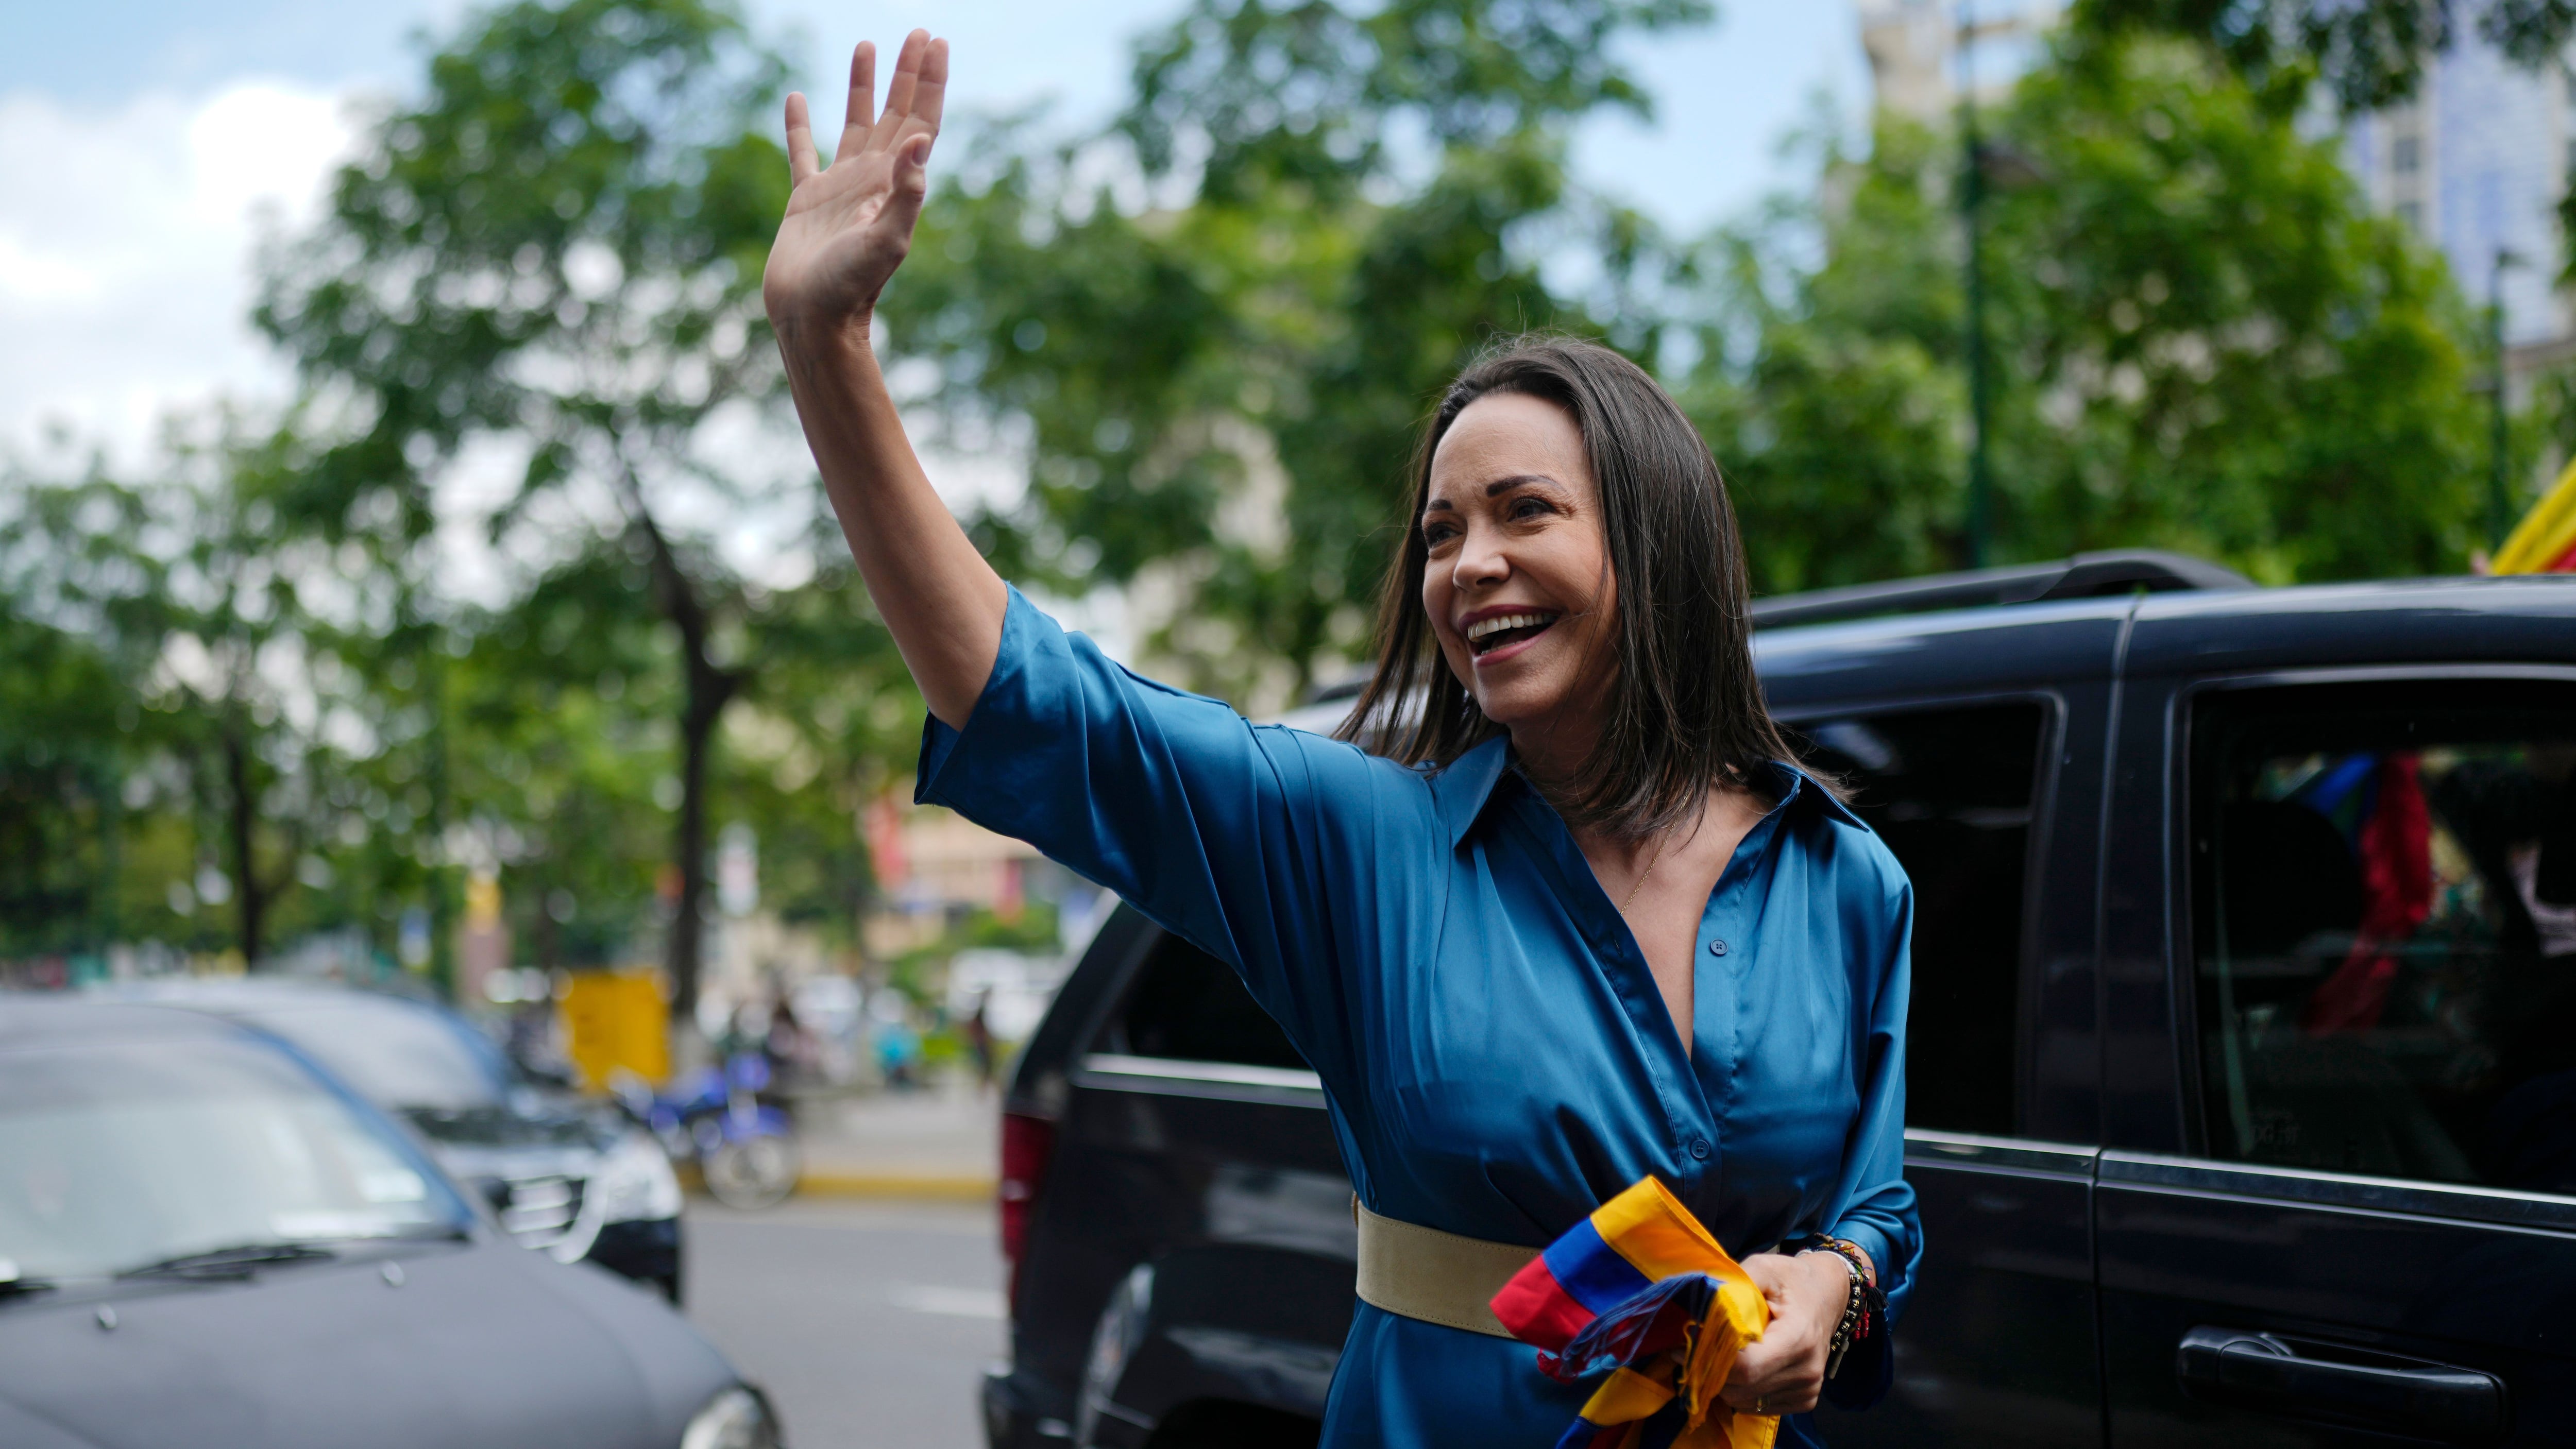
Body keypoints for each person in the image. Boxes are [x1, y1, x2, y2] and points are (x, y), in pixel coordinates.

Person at [760, 31, 1918, 1446]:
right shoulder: (1362, 846)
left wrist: (1836, 1285)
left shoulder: (1844, 876)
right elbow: (1044, 705)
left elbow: (1873, 1198)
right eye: (1441, 533)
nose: (1467, 564)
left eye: (1524, 512)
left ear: (1656, 544)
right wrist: (828, 349)